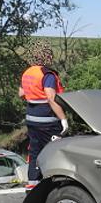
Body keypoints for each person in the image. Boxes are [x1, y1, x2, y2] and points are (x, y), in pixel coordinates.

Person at [18, 41, 69, 191]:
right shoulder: (47, 74)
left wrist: (33, 96)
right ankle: (56, 182)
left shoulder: (27, 72)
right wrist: (63, 120)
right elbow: (51, 98)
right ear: (47, 56)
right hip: (48, 119)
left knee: (35, 150)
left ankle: (33, 182)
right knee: (56, 149)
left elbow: (21, 93)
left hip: (31, 118)